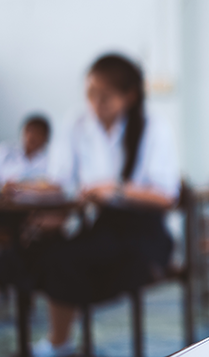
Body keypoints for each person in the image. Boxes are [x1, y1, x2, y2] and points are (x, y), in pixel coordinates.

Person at [30, 53, 180, 357]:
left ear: (129, 96)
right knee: (44, 253)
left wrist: (115, 188)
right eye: (91, 94)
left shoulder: (153, 127)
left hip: (143, 231)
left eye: (105, 97)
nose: (96, 104)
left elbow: (166, 197)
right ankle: (62, 341)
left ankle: (60, 343)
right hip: (101, 225)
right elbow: (60, 182)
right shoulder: (77, 122)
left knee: (69, 260)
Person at [0, 114, 51, 191]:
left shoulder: (50, 160)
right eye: (29, 130)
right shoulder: (6, 151)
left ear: (46, 138)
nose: (32, 136)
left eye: (39, 133)